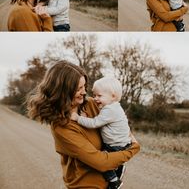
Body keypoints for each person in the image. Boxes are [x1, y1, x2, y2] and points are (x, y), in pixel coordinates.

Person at [27, 60, 140, 189]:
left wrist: (127, 138)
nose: (84, 92)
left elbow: (118, 122)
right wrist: (133, 149)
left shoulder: (92, 104)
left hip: (107, 185)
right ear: (63, 91)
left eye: (84, 86)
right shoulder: (62, 127)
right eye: (78, 89)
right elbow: (101, 162)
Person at [71, 77, 131, 189]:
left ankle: (114, 180)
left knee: (103, 163)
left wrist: (78, 118)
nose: (95, 99)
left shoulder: (110, 110)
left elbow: (95, 123)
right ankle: (116, 171)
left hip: (115, 146)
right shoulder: (114, 107)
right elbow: (101, 121)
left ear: (113, 96)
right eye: (94, 95)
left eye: (99, 96)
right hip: (120, 143)